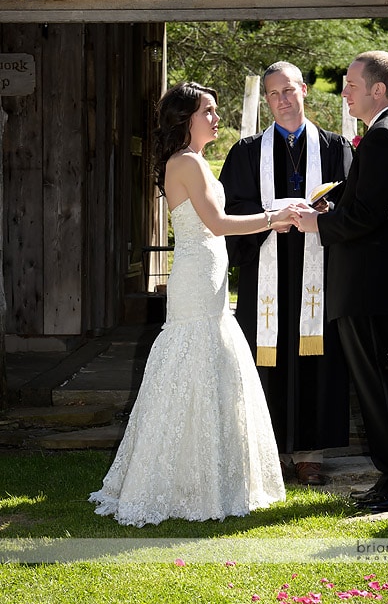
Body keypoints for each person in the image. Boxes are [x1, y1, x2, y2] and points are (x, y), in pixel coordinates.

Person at [90, 81, 295, 526]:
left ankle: (212, 476)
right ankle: (182, 482)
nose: (216, 118)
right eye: (209, 111)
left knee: (213, 359)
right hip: (196, 277)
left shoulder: (194, 161)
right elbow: (217, 223)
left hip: (207, 272)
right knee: (193, 358)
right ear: (186, 118)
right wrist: (273, 219)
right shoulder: (185, 162)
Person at [294, 51, 388, 513]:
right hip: (381, 284)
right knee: (386, 386)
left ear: (377, 89)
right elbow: (373, 210)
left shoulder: (386, 138)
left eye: (351, 84)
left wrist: (315, 225)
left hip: (374, 287)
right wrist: (333, 212)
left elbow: (370, 217)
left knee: (384, 388)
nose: (344, 91)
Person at [219, 61, 352, 485]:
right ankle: (265, 449)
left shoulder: (334, 148)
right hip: (266, 272)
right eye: (273, 94)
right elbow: (228, 212)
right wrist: (271, 216)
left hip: (318, 271)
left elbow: (353, 207)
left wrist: (327, 212)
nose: (282, 101)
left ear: (304, 91)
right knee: (266, 356)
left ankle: (310, 453)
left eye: (289, 91)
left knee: (315, 356)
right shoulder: (245, 152)